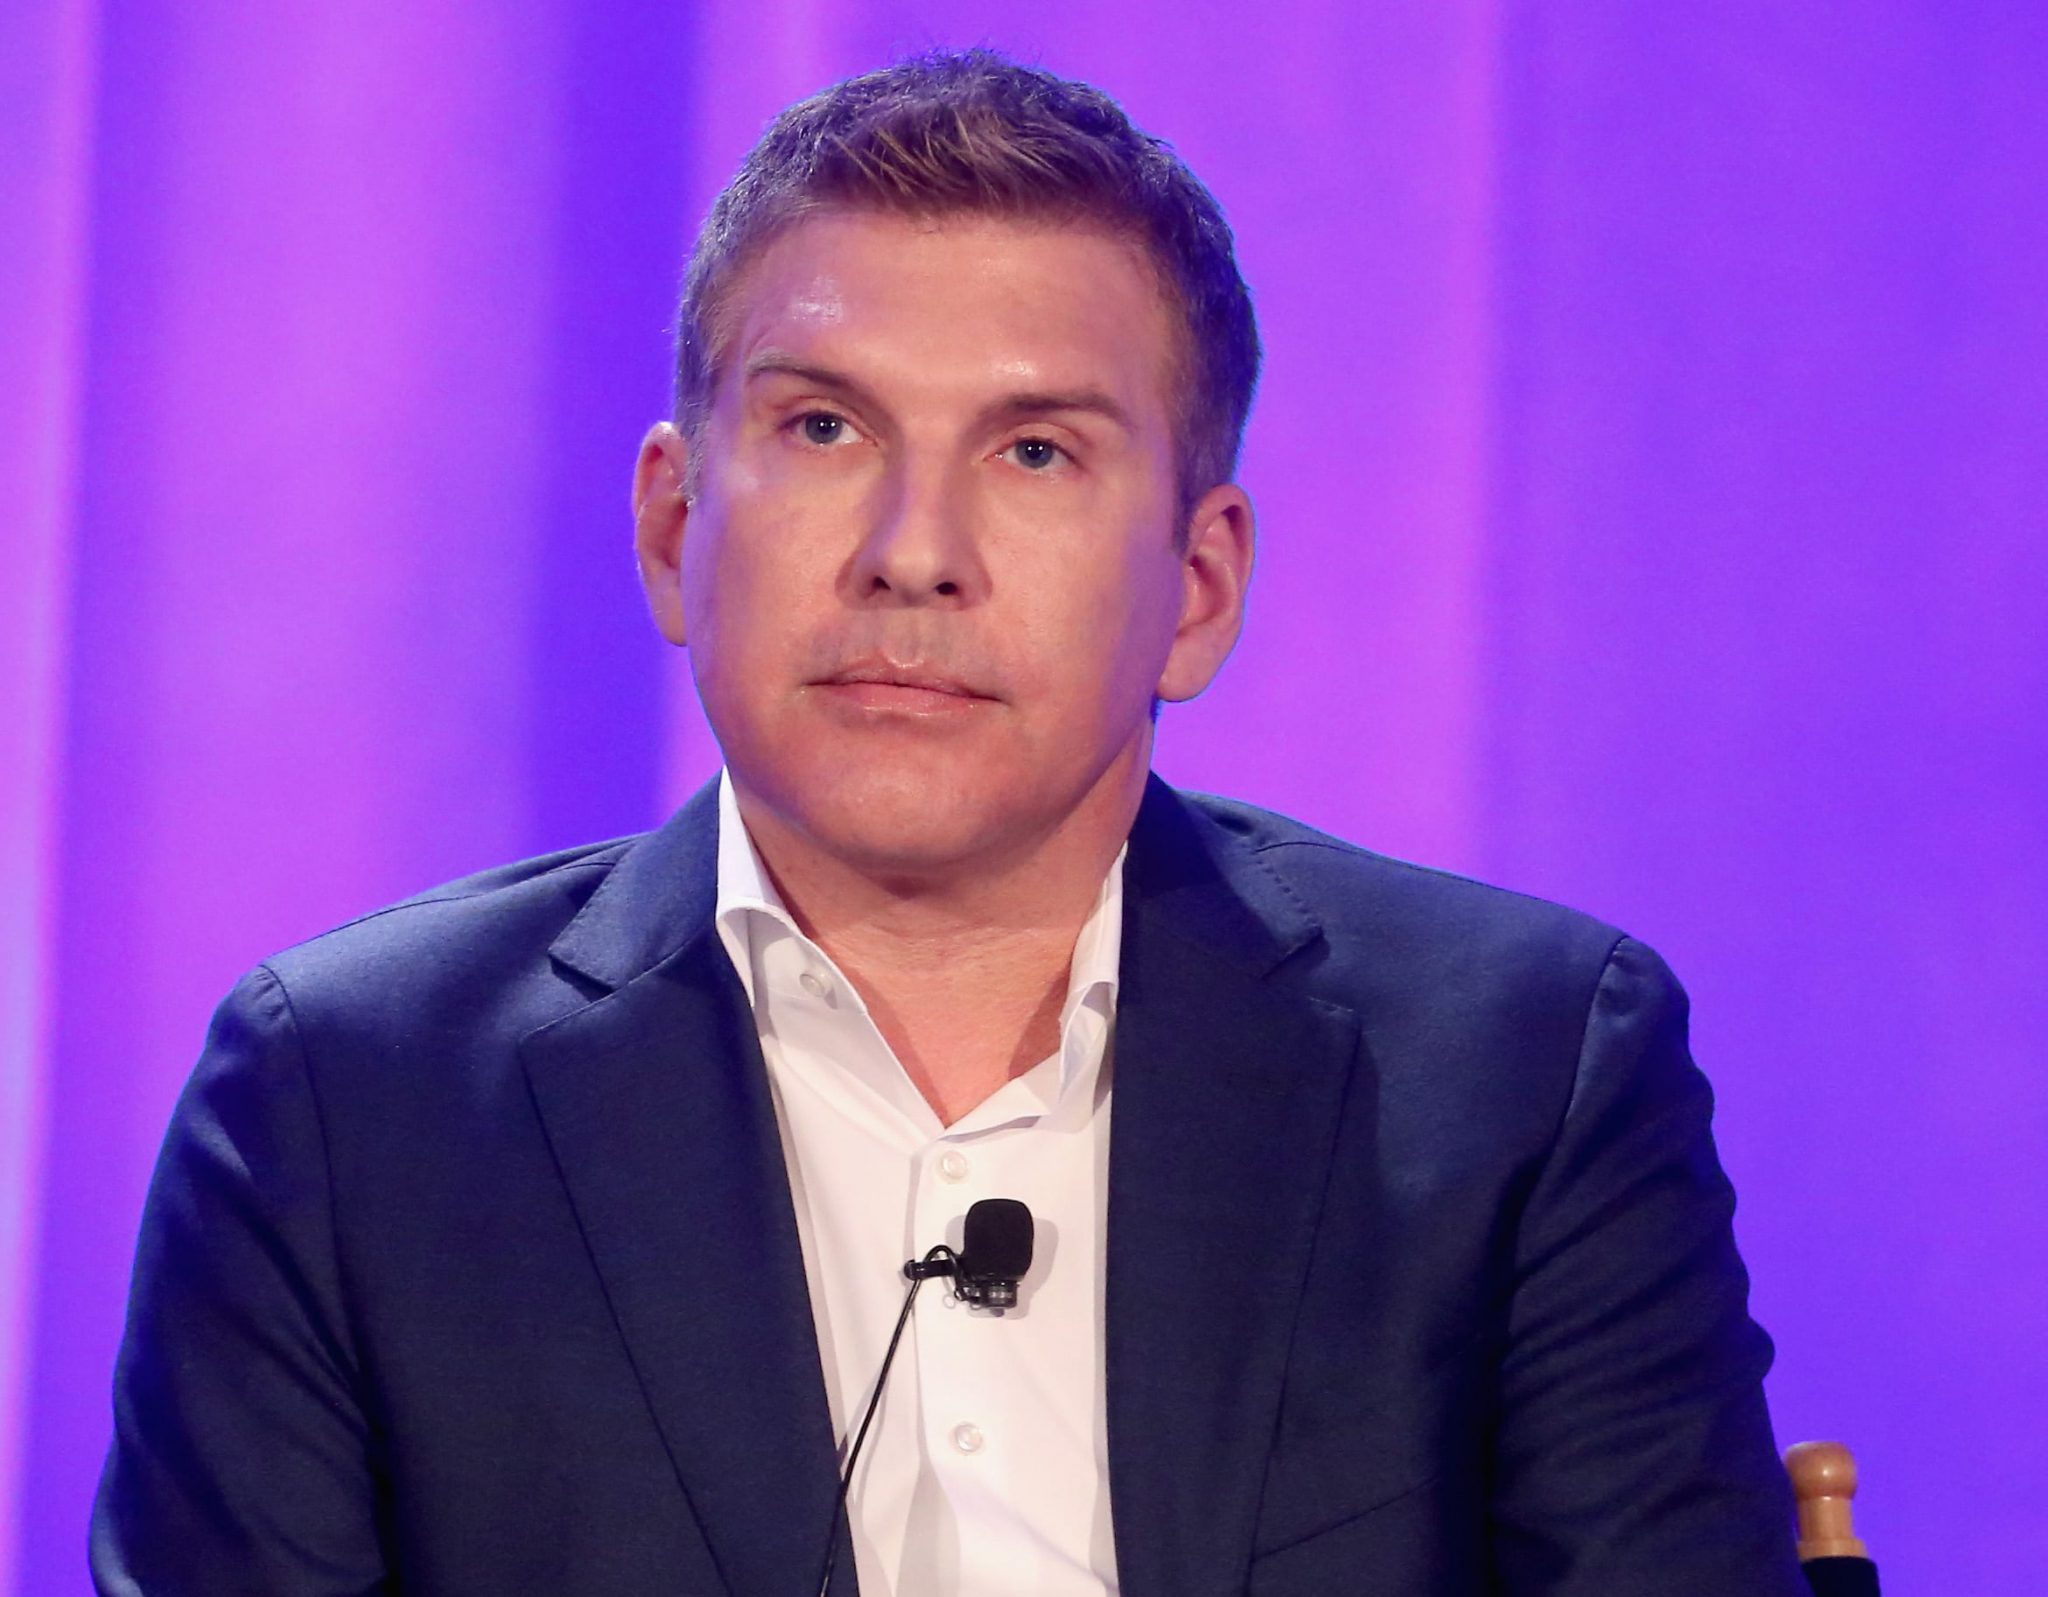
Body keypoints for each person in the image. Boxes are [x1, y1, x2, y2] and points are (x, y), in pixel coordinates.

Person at [92, 49, 1808, 1597]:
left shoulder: (1523, 1078)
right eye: (824, 426)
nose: (914, 551)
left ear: (1200, 586)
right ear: (676, 528)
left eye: (1036, 451)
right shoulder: (348, 1109)